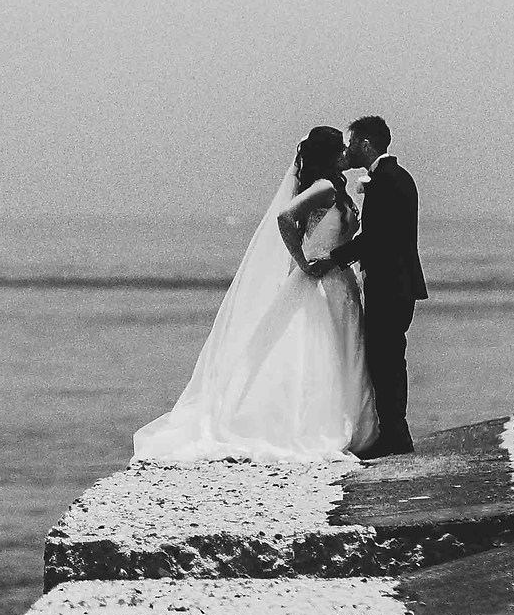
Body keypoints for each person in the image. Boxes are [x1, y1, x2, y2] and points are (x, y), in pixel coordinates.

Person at [134, 127, 378, 463]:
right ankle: (312, 424)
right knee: (316, 353)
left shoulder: (337, 186)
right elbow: (285, 216)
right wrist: (303, 262)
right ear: (330, 155)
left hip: (340, 283)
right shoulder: (323, 187)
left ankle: (348, 420)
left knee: (339, 351)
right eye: (340, 149)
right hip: (320, 283)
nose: (346, 153)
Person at [330, 115, 429, 457]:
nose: (348, 149)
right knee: (389, 359)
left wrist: (332, 259)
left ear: (366, 145)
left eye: (352, 143)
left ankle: (395, 435)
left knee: (385, 360)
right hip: (399, 283)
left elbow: (375, 239)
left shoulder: (385, 181)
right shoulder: (398, 177)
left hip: (389, 285)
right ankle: (394, 432)